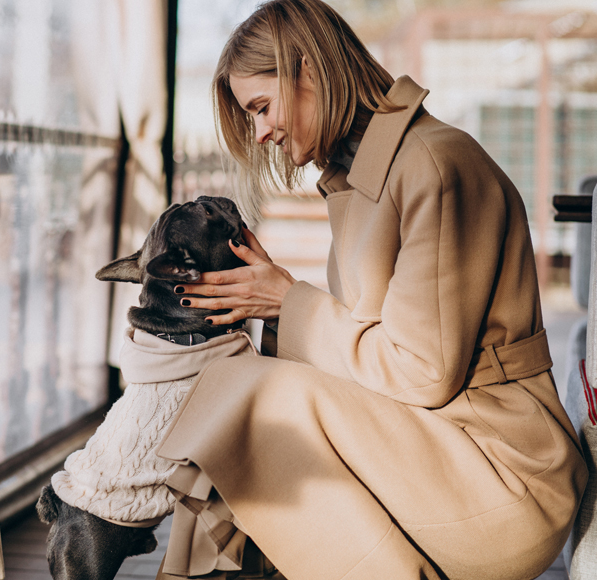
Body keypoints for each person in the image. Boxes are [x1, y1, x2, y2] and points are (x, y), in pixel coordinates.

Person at [153, 1, 589, 579]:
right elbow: (374, 349)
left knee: (258, 397)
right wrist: (276, 302)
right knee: (240, 428)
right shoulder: (363, 182)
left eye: (261, 107)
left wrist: (287, 300)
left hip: (506, 477)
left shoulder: (433, 166)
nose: (259, 133)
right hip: (444, 455)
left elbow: (421, 373)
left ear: (307, 70)